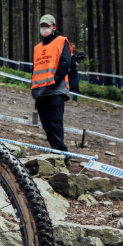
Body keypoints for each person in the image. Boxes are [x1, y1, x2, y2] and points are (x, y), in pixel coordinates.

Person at [32, 14, 72, 161]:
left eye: (47, 26)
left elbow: (65, 63)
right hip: (40, 92)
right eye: (42, 25)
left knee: (55, 122)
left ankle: (61, 154)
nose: (45, 28)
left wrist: (54, 80)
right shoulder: (37, 48)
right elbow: (35, 69)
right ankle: (56, 151)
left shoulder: (61, 41)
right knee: (46, 125)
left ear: (54, 27)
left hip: (56, 90)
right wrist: (34, 89)